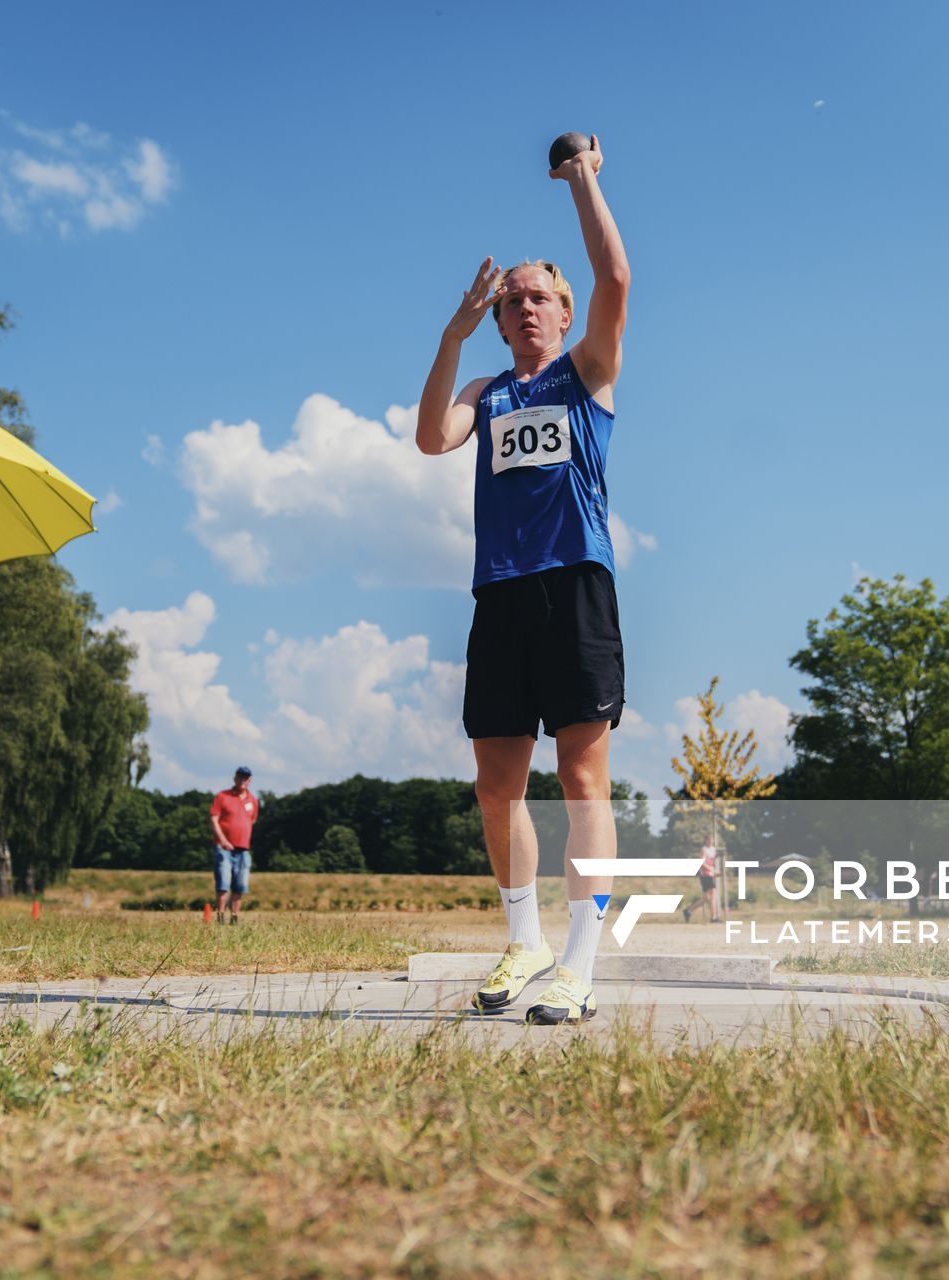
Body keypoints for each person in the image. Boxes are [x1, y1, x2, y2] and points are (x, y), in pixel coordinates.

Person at [416, 135, 630, 1025]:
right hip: (500, 594)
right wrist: (451, 336)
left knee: (583, 779)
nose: (527, 309)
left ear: (563, 309)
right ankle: (526, 938)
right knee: (496, 784)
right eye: (513, 302)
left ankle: (581, 963)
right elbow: (432, 439)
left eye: (540, 297)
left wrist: (581, 180)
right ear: (499, 322)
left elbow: (616, 282)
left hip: (574, 585)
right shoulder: (488, 390)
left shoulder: (588, 374)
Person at [209, 766, 259, 924]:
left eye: (246, 778)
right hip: (223, 848)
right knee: (223, 884)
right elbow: (214, 820)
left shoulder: (253, 800)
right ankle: (221, 915)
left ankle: (234, 917)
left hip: (243, 849)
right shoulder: (222, 796)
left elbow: (252, 820)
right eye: (240, 777)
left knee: (240, 885)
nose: (242, 780)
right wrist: (223, 840)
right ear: (235, 778)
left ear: (249, 780)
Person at [685, 831, 723, 924]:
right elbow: (702, 862)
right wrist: (712, 870)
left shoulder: (713, 850)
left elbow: (712, 862)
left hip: (709, 874)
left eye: (712, 839)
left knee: (706, 898)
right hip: (705, 875)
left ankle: (688, 911)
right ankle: (713, 917)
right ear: (706, 840)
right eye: (708, 839)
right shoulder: (704, 850)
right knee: (712, 894)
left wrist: (714, 871)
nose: (710, 841)